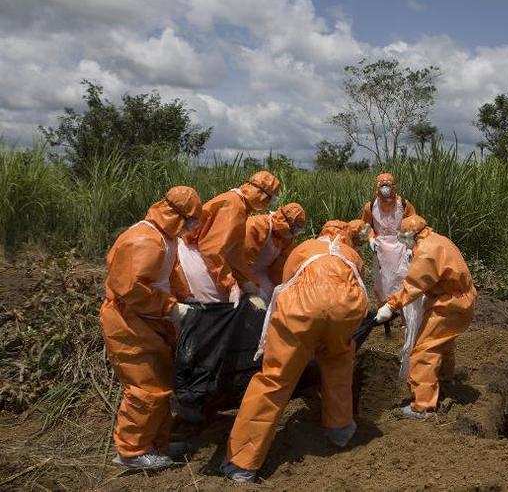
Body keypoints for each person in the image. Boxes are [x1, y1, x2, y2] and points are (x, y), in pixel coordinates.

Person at [221, 219, 369, 483]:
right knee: (338, 362)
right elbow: (359, 282)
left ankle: (243, 462)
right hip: (346, 308)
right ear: (348, 237)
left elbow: (287, 279)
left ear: (323, 231)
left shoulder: (306, 247)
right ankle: (339, 429)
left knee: (275, 378)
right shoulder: (352, 255)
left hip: (302, 308)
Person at [100, 186, 202, 470]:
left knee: (161, 383)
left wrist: (185, 298)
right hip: (128, 320)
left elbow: (170, 273)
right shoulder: (144, 240)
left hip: (148, 318)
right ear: (176, 215)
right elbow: (129, 288)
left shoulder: (164, 238)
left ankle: (158, 444)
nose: (193, 226)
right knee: (145, 386)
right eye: (191, 219)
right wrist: (170, 307)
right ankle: (131, 452)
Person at [375, 215, 477, 419]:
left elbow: (414, 285)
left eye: (403, 237)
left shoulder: (426, 252)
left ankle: (422, 406)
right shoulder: (438, 239)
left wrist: (390, 305)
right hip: (463, 299)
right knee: (443, 343)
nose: (403, 241)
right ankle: (445, 382)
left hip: (448, 304)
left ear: (412, 234)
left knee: (424, 350)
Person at [196, 171, 281, 305]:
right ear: (261, 194)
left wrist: (248, 281)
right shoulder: (235, 207)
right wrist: (230, 285)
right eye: (268, 199)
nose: (267, 204)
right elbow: (211, 250)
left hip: (206, 260)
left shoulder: (239, 205)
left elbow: (234, 253)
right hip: (196, 259)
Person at [360, 172, 417, 306]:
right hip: (380, 248)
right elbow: (364, 225)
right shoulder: (370, 206)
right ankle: (384, 311)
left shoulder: (404, 204)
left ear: (393, 187)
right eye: (382, 186)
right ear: (377, 188)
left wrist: (410, 248)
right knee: (381, 282)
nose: (385, 189)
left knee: (403, 278)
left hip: (401, 245)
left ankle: (403, 309)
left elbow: (413, 225)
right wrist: (370, 239)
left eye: (388, 186)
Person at [242, 202, 306, 302]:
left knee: (273, 299)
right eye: (293, 229)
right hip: (241, 271)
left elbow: (280, 266)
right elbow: (240, 259)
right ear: (285, 221)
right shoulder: (257, 226)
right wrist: (248, 283)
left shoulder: (287, 238)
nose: (293, 234)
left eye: (297, 231)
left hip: (262, 272)